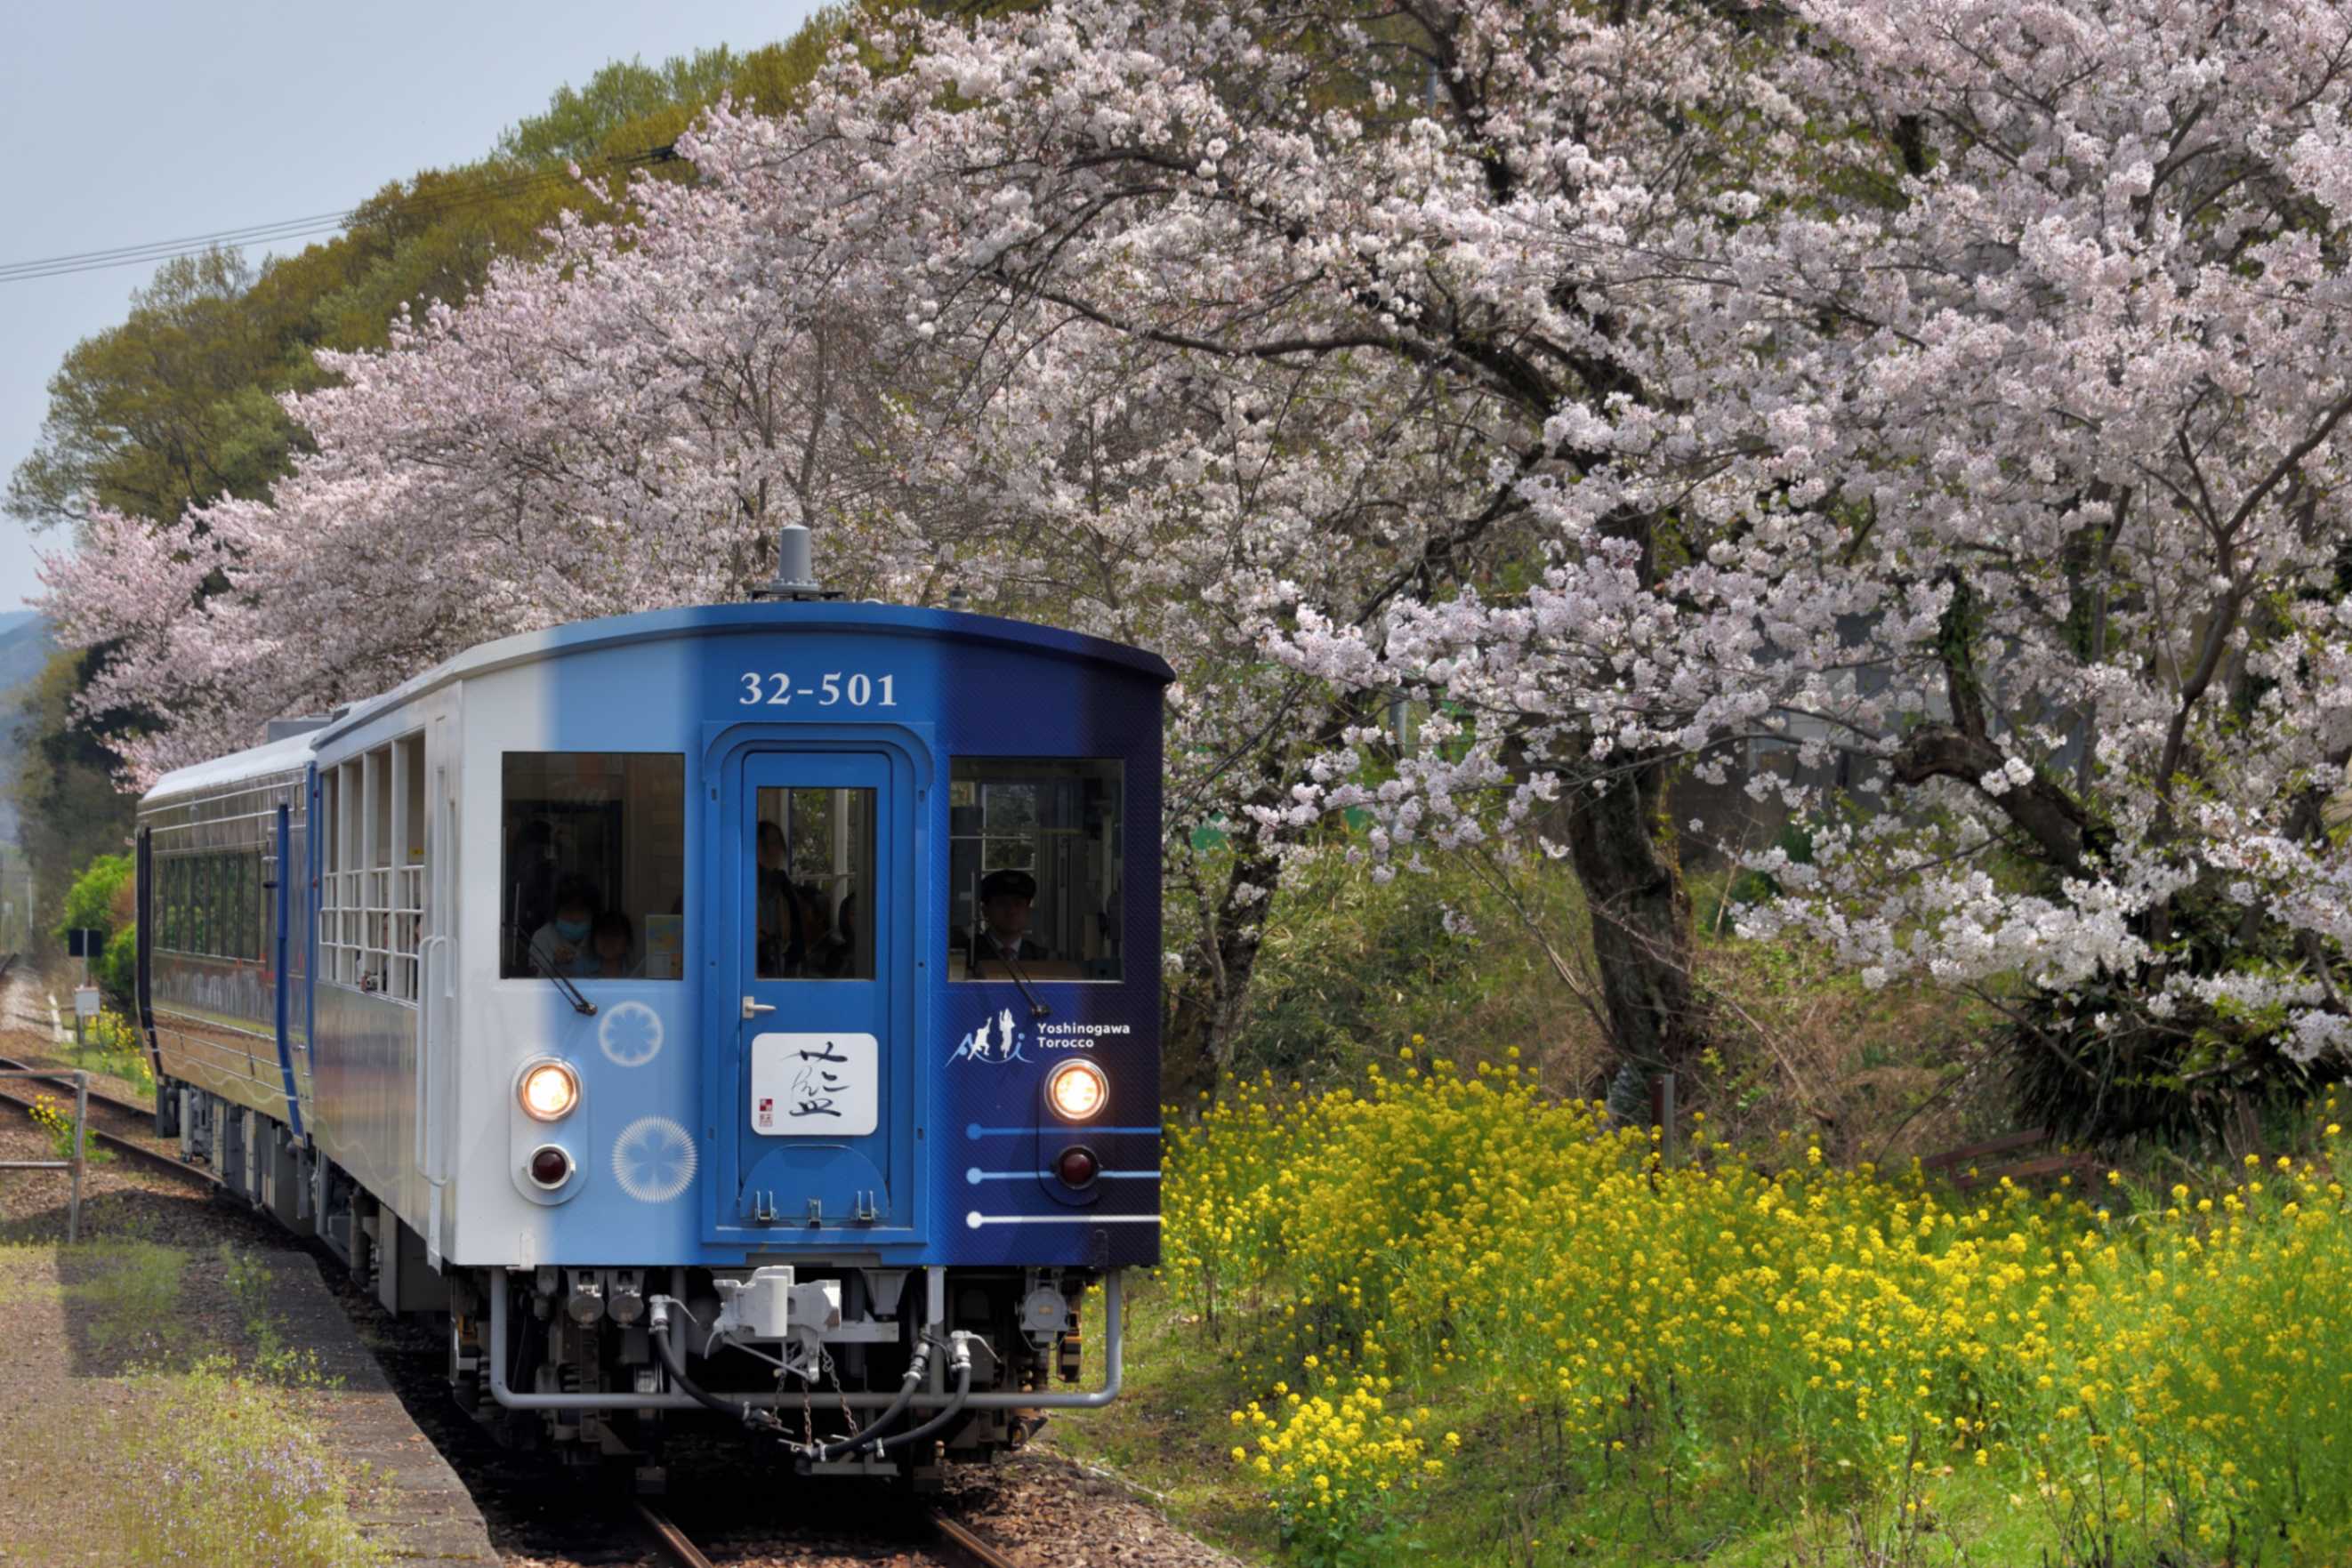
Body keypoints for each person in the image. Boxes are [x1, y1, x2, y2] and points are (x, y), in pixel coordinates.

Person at [965, 867, 1049, 972]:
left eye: (1018, 904)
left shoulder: (1042, 959)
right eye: (1002, 903)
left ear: (1028, 911)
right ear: (985, 911)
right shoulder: (967, 955)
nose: (1011, 911)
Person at [528, 877, 600, 977]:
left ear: (592, 912)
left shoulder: (602, 936)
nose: (575, 918)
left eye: (581, 910)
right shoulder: (543, 937)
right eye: (568, 911)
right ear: (555, 912)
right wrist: (555, 961)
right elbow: (535, 978)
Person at [588, 910, 639, 978]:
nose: (608, 940)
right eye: (603, 934)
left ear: (627, 940)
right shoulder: (579, 973)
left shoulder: (637, 975)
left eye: (615, 934)